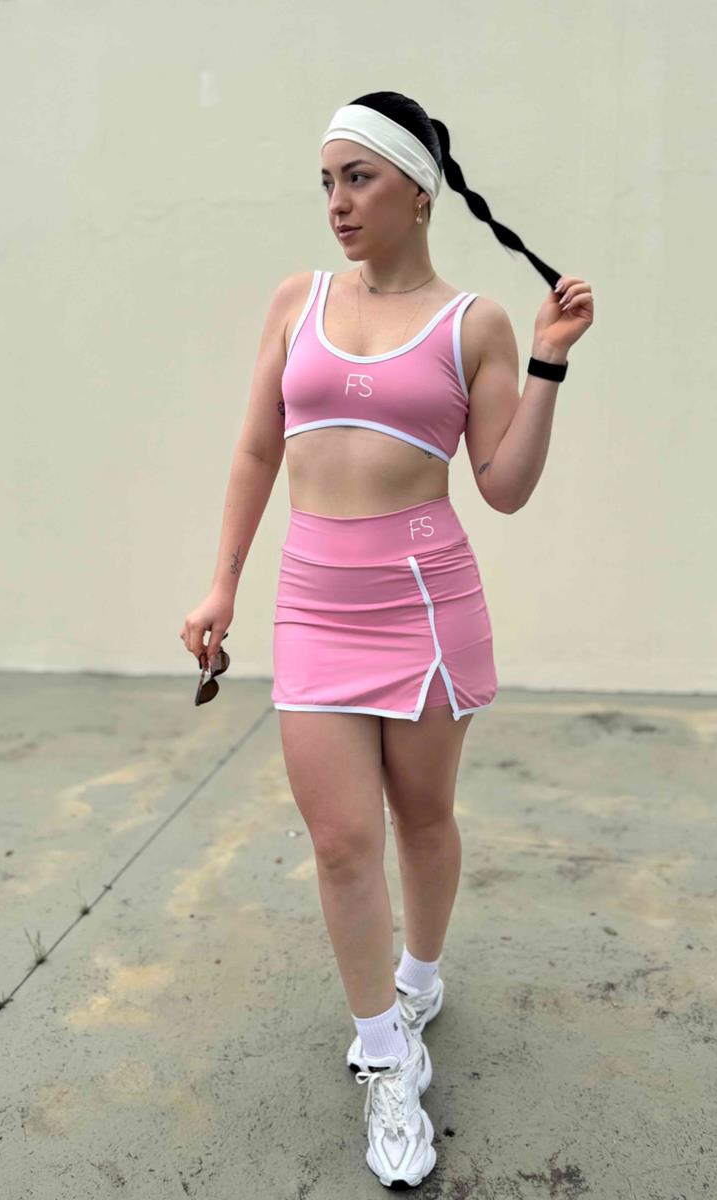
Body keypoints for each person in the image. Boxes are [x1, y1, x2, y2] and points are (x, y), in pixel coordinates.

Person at [179, 90, 594, 1189]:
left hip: (424, 602)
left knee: (422, 817)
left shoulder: (475, 324)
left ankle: (419, 977)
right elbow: (257, 452)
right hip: (315, 602)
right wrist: (222, 584)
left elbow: (502, 486)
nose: (337, 203)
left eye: (357, 178)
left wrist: (549, 361)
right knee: (340, 843)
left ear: (419, 189)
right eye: (326, 182)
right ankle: (384, 1058)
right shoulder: (297, 301)